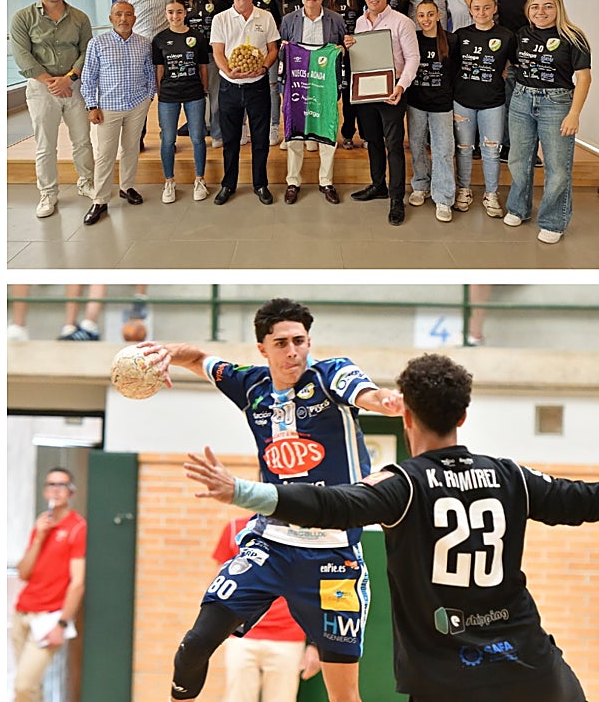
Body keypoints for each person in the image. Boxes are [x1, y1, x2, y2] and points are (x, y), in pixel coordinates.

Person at [185, 352, 597, 702]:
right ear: (463, 415)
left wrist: (242, 491)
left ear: (408, 417)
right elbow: (585, 500)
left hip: (445, 676)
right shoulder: (511, 476)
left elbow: (330, 504)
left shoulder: (402, 483)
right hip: (530, 668)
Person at [137, 297, 405, 702]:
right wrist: (166, 354)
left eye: (299, 340)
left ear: (309, 341)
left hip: (334, 557)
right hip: (271, 545)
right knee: (194, 645)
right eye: (280, 343)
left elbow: (365, 393)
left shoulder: (332, 375)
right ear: (263, 348)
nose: (292, 350)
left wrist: (384, 400)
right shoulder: (250, 384)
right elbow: (201, 359)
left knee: (344, 695)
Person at [503, 0, 592, 244]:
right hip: (521, 99)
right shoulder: (522, 34)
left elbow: (584, 78)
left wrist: (574, 113)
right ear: (528, 11)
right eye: (535, 7)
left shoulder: (573, 37)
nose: (541, 12)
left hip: (557, 102)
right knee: (519, 159)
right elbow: (515, 65)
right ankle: (519, 208)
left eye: (548, 6)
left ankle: (554, 221)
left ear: (559, 8)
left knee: (557, 167)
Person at [10, 0, 95, 219]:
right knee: (45, 145)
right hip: (41, 89)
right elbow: (22, 56)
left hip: (74, 86)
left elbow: (86, 51)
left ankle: (87, 182)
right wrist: (51, 82)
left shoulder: (80, 18)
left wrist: (68, 79)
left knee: (82, 139)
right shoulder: (22, 18)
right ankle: (48, 193)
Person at [212, 516, 321, 702]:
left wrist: (315, 644)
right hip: (242, 636)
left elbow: (315, 591)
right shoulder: (234, 529)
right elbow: (220, 587)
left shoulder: (305, 533)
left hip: (288, 637)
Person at [346, 0, 420, 226]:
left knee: (394, 146)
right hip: (366, 93)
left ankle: (397, 198)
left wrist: (401, 86)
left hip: (392, 92)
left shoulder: (402, 22)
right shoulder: (359, 23)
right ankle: (378, 185)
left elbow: (413, 58)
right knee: (373, 141)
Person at [11, 467, 87, 702]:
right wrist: (40, 536)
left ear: (71, 492)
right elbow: (23, 572)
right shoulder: (41, 525)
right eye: (51, 485)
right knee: (32, 688)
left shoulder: (77, 528)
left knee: (23, 686)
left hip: (48, 617)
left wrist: (62, 624)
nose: (55, 490)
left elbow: (78, 583)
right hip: (22, 613)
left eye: (61, 485)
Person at [79, 1, 155, 226]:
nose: (124, 19)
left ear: (135, 18)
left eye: (128, 15)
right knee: (105, 154)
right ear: (111, 18)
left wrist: (149, 96)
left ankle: (127, 187)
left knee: (131, 148)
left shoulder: (144, 43)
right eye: (119, 15)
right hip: (108, 108)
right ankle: (100, 200)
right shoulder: (98, 43)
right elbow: (88, 77)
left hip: (137, 104)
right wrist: (92, 106)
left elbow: (150, 72)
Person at [209, 0, 280, 206]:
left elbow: (272, 49)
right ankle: (228, 184)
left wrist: (264, 67)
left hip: (257, 86)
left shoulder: (266, 17)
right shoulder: (220, 19)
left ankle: (260, 184)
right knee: (230, 140)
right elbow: (218, 52)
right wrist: (228, 71)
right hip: (229, 86)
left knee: (260, 139)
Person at [278, 0, 347, 204]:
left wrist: (341, 50)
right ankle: (293, 182)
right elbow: (283, 56)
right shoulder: (289, 20)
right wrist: (283, 50)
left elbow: (343, 51)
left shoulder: (336, 20)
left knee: (327, 131)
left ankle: (326, 182)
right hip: (298, 85)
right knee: (296, 134)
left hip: (324, 86)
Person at [452, 0, 516, 218]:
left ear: (495, 9)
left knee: (491, 151)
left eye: (487, 7)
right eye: (477, 8)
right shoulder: (460, 35)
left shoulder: (506, 36)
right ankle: (464, 190)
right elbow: (451, 65)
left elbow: (514, 64)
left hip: (493, 103)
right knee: (464, 149)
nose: (482, 12)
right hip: (463, 101)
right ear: (470, 10)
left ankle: (491, 194)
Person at [406, 0, 460, 222]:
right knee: (417, 146)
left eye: (430, 14)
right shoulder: (414, 40)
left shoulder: (451, 40)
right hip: (416, 103)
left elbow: (456, 73)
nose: (426, 19)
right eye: (421, 15)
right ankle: (420, 185)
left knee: (443, 150)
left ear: (438, 15)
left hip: (442, 105)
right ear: (416, 18)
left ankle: (444, 197)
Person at [153, 0, 210, 203]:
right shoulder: (159, 39)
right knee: (168, 139)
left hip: (194, 94)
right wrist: (160, 93)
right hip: (169, 96)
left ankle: (200, 179)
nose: (175, 16)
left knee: (197, 138)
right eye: (170, 12)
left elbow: (203, 66)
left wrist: (204, 89)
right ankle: (169, 181)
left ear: (185, 13)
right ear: (165, 14)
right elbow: (159, 69)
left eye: (178, 12)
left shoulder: (197, 37)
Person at [495, 0, 543, 163]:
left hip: (533, 61)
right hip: (510, 61)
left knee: (534, 108)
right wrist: (504, 61)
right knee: (508, 105)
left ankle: (531, 153)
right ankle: (506, 148)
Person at [185, 0, 231, 149]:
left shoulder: (220, 3)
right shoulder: (185, 3)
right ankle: (198, 134)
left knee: (215, 98)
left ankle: (217, 134)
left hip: (213, 57)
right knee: (196, 98)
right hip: (191, 58)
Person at [325, 0, 365, 148]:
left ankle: (350, 134)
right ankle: (327, 133)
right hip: (332, 55)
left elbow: (366, 20)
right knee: (332, 96)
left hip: (354, 53)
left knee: (352, 97)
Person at [249, 0, 284, 145]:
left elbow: (280, 22)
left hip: (271, 50)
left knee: (272, 89)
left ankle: (274, 125)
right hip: (249, 52)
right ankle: (246, 126)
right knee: (248, 87)